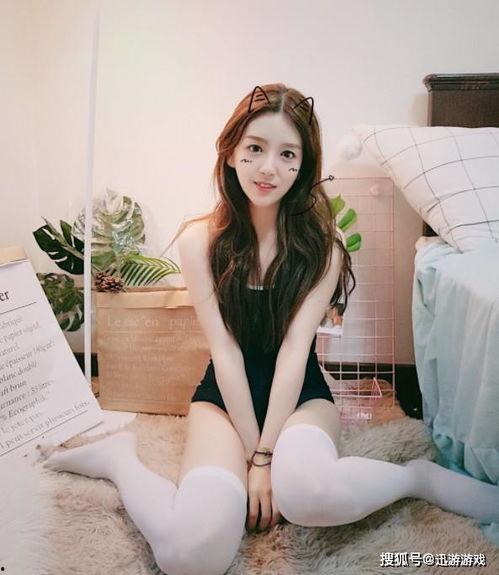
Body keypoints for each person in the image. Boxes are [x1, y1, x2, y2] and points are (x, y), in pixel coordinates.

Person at [38, 84, 499, 575]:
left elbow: (295, 351)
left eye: (287, 154)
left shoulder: (323, 248)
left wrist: (265, 455)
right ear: (231, 151)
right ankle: (118, 459)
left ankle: (415, 479)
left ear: (303, 166)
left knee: (307, 495)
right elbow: (225, 350)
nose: (268, 168)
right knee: (190, 556)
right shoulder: (200, 242)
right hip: (222, 396)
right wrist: (254, 455)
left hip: (301, 396)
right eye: (255, 148)